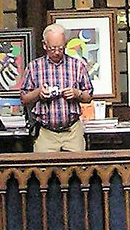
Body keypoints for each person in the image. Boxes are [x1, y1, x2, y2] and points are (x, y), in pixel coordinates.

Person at [20, 24, 92, 152]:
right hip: (45, 133)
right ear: (44, 45)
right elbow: (24, 98)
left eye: (60, 48)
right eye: (52, 48)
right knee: (43, 171)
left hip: (72, 131)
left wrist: (77, 93)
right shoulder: (34, 67)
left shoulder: (77, 65)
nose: (57, 52)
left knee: (78, 170)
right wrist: (38, 92)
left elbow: (88, 96)